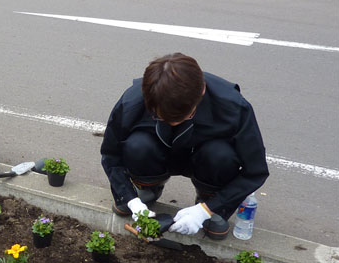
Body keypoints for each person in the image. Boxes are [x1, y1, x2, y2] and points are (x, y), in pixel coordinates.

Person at [100, 53, 269, 241]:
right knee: (137, 146)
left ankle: (208, 199)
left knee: (221, 155)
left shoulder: (233, 107)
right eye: (162, 117)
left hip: (205, 159)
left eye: (184, 117)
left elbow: (255, 171)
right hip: (156, 153)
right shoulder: (132, 101)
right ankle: (147, 190)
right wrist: (130, 199)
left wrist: (206, 209)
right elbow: (110, 155)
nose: (173, 124)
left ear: (202, 91)